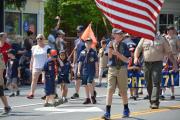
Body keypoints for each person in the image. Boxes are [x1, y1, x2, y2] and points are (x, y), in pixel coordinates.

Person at [134, 33, 178, 109]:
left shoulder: (162, 39)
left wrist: (174, 63)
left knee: (156, 82)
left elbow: (169, 52)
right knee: (148, 83)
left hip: (157, 63)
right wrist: (135, 57)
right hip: (146, 63)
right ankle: (152, 100)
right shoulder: (144, 38)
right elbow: (138, 49)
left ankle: (154, 101)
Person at [102, 28, 130, 119]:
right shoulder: (109, 44)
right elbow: (109, 56)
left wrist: (117, 53)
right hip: (112, 69)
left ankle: (126, 109)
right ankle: (107, 112)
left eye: (122, 34)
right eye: (119, 34)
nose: (121, 35)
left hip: (122, 69)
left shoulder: (124, 45)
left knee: (123, 91)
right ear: (113, 35)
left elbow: (127, 60)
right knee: (110, 90)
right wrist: (110, 48)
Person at [27, 34, 50, 99]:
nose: (39, 40)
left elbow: (49, 58)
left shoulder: (47, 47)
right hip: (36, 66)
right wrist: (30, 66)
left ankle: (47, 93)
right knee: (34, 80)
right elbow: (32, 58)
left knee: (44, 80)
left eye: (41, 38)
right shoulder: (34, 47)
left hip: (44, 66)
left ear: (44, 39)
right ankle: (32, 93)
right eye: (38, 38)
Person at [161, 26, 180, 100]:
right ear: (167, 31)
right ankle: (163, 93)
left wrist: (179, 56)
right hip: (165, 59)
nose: (170, 31)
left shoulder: (176, 38)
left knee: (172, 76)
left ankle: (172, 94)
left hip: (174, 58)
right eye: (169, 30)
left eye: (172, 30)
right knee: (164, 75)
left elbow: (179, 48)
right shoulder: (164, 38)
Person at [78, 38, 98, 104]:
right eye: (86, 43)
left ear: (91, 44)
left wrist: (97, 71)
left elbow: (96, 62)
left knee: (89, 83)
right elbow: (80, 62)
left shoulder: (93, 52)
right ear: (85, 44)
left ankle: (92, 96)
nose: (88, 44)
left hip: (91, 70)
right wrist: (78, 70)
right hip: (84, 70)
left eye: (89, 43)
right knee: (85, 85)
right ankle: (87, 98)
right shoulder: (82, 52)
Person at [71, 25, 86, 99]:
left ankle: (92, 92)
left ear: (83, 31)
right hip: (78, 62)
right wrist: (74, 62)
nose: (78, 33)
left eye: (79, 31)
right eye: (77, 32)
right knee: (77, 77)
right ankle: (76, 93)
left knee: (87, 78)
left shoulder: (87, 40)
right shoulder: (76, 41)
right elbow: (75, 52)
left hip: (85, 61)